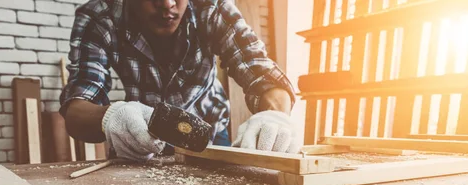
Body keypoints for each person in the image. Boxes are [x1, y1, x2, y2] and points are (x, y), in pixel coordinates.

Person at [60, 0, 300, 162]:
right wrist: (111, 117)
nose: (168, 5)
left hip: (212, 135)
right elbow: (77, 106)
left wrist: (275, 116)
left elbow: (262, 73)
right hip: (142, 137)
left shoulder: (212, 8)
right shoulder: (101, 17)